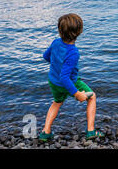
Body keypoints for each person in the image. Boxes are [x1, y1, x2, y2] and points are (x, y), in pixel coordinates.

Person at [39, 13, 104, 142]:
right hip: (69, 82)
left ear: (59, 31)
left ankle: (46, 132)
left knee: (56, 103)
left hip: (53, 81)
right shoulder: (73, 52)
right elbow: (65, 77)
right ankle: (91, 130)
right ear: (79, 32)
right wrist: (76, 93)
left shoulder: (56, 43)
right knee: (92, 97)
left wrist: (57, 64)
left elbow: (46, 57)